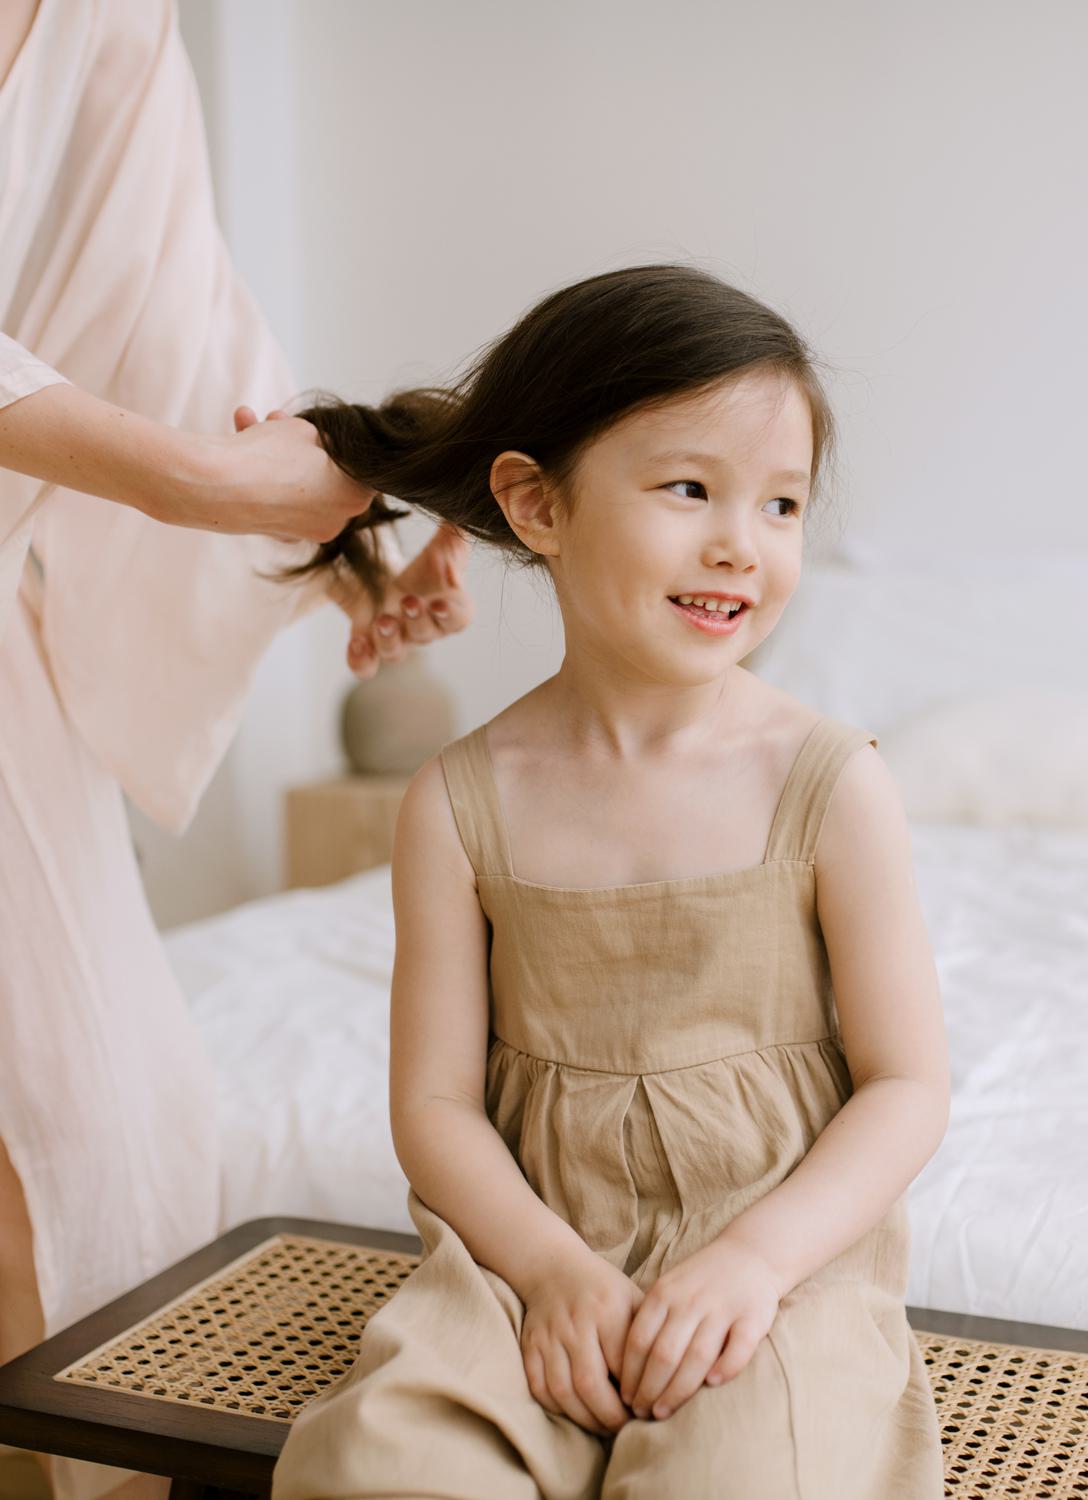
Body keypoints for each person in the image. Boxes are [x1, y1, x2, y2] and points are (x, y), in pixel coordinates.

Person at [268, 262, 951, 1499]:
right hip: (527, 1247)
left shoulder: (832, 784)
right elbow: (434, 1107)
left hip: (774, 1252)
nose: (742, 544)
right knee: (385, 1464)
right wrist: (547, 1271)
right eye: (690, 488)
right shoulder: (459, 801)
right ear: (536, 507)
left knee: (751, 1479)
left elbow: (907, 1085)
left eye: (783, 505)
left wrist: (751, 1262)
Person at [0, 6, 472, 1500]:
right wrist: (205, 485)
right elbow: (195, 448)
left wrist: (359, 537)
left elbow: (178, 332)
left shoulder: (104, 19)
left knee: (104, 1127)